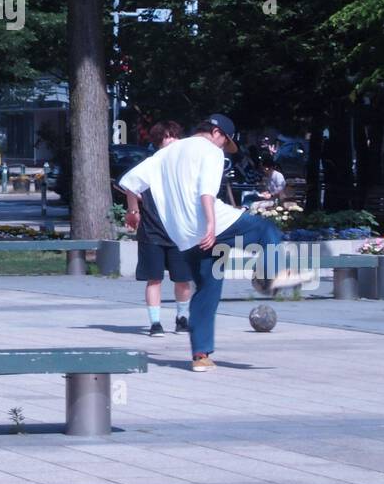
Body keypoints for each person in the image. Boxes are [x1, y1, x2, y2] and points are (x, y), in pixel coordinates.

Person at [119, 113, 302, 371]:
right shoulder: (211, 151)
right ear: (217, 133)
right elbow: (207, 191)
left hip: (183, 235)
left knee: (207, 288)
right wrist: (211, 225)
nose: (222, 148)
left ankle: (200, 356)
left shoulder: (166, 153)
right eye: (224, 143)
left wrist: (133, 211)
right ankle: (269, 275)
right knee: (266, 230)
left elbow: (130, 184)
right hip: (211, 225)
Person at [119, 120, 192, 337]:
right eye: (166, 136)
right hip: (153, 229)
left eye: (174, 136)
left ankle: (182, 318)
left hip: (179, 231)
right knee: (155, 278)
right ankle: (155, 323)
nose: (171, 141)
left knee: (182, 278)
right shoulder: (152, 164)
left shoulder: (185, 164)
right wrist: (134, 211)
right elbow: (128, 183)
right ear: (159, 141)